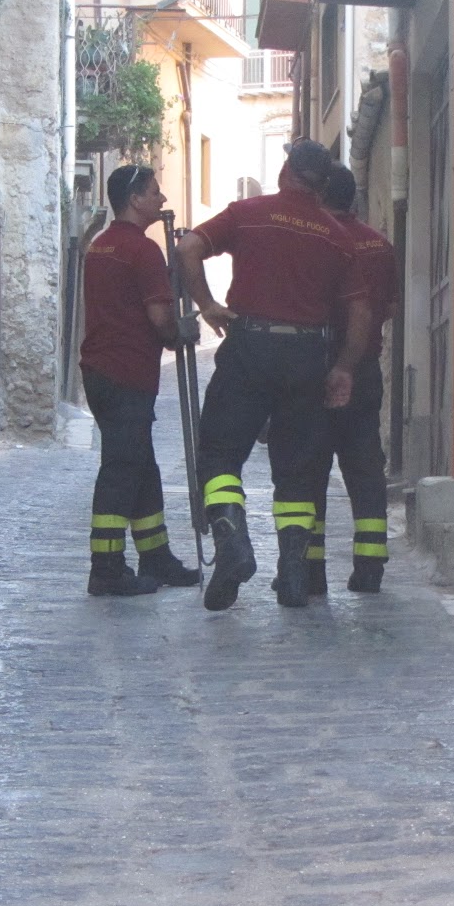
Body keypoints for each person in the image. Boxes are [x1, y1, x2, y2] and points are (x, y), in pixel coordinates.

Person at [176, 140, 372, 611]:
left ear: (285, 170)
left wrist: (206, 305)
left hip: (250, 344)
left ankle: (232, 539)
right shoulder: (337, 237)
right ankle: (293, 575)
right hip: (308, 352)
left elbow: (188, 247)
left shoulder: (249, 212)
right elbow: (362, 312)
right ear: (323, 185)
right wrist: (344, 367)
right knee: (299, 469)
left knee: (221, 452)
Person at [78, 164, 202, 596]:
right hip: (128, 372)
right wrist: (178, 329)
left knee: (141, 466)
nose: (162, 199)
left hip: (100, 371)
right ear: (134, 199)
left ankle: (156, 556)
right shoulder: (142, 252)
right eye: (154, 192)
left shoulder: (100, 246)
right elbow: (159, 319)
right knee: (121, 471)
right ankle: (106, 567)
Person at [305, 164, 400, 594]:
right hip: (364, 370)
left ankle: (311, 569)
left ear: (320, 198)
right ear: (355, 200)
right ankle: (370, 566)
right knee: (365, 469)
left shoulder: (316, 240)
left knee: (310, 467)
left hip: (317, 367)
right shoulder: (379, 244)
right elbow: (391, 306)